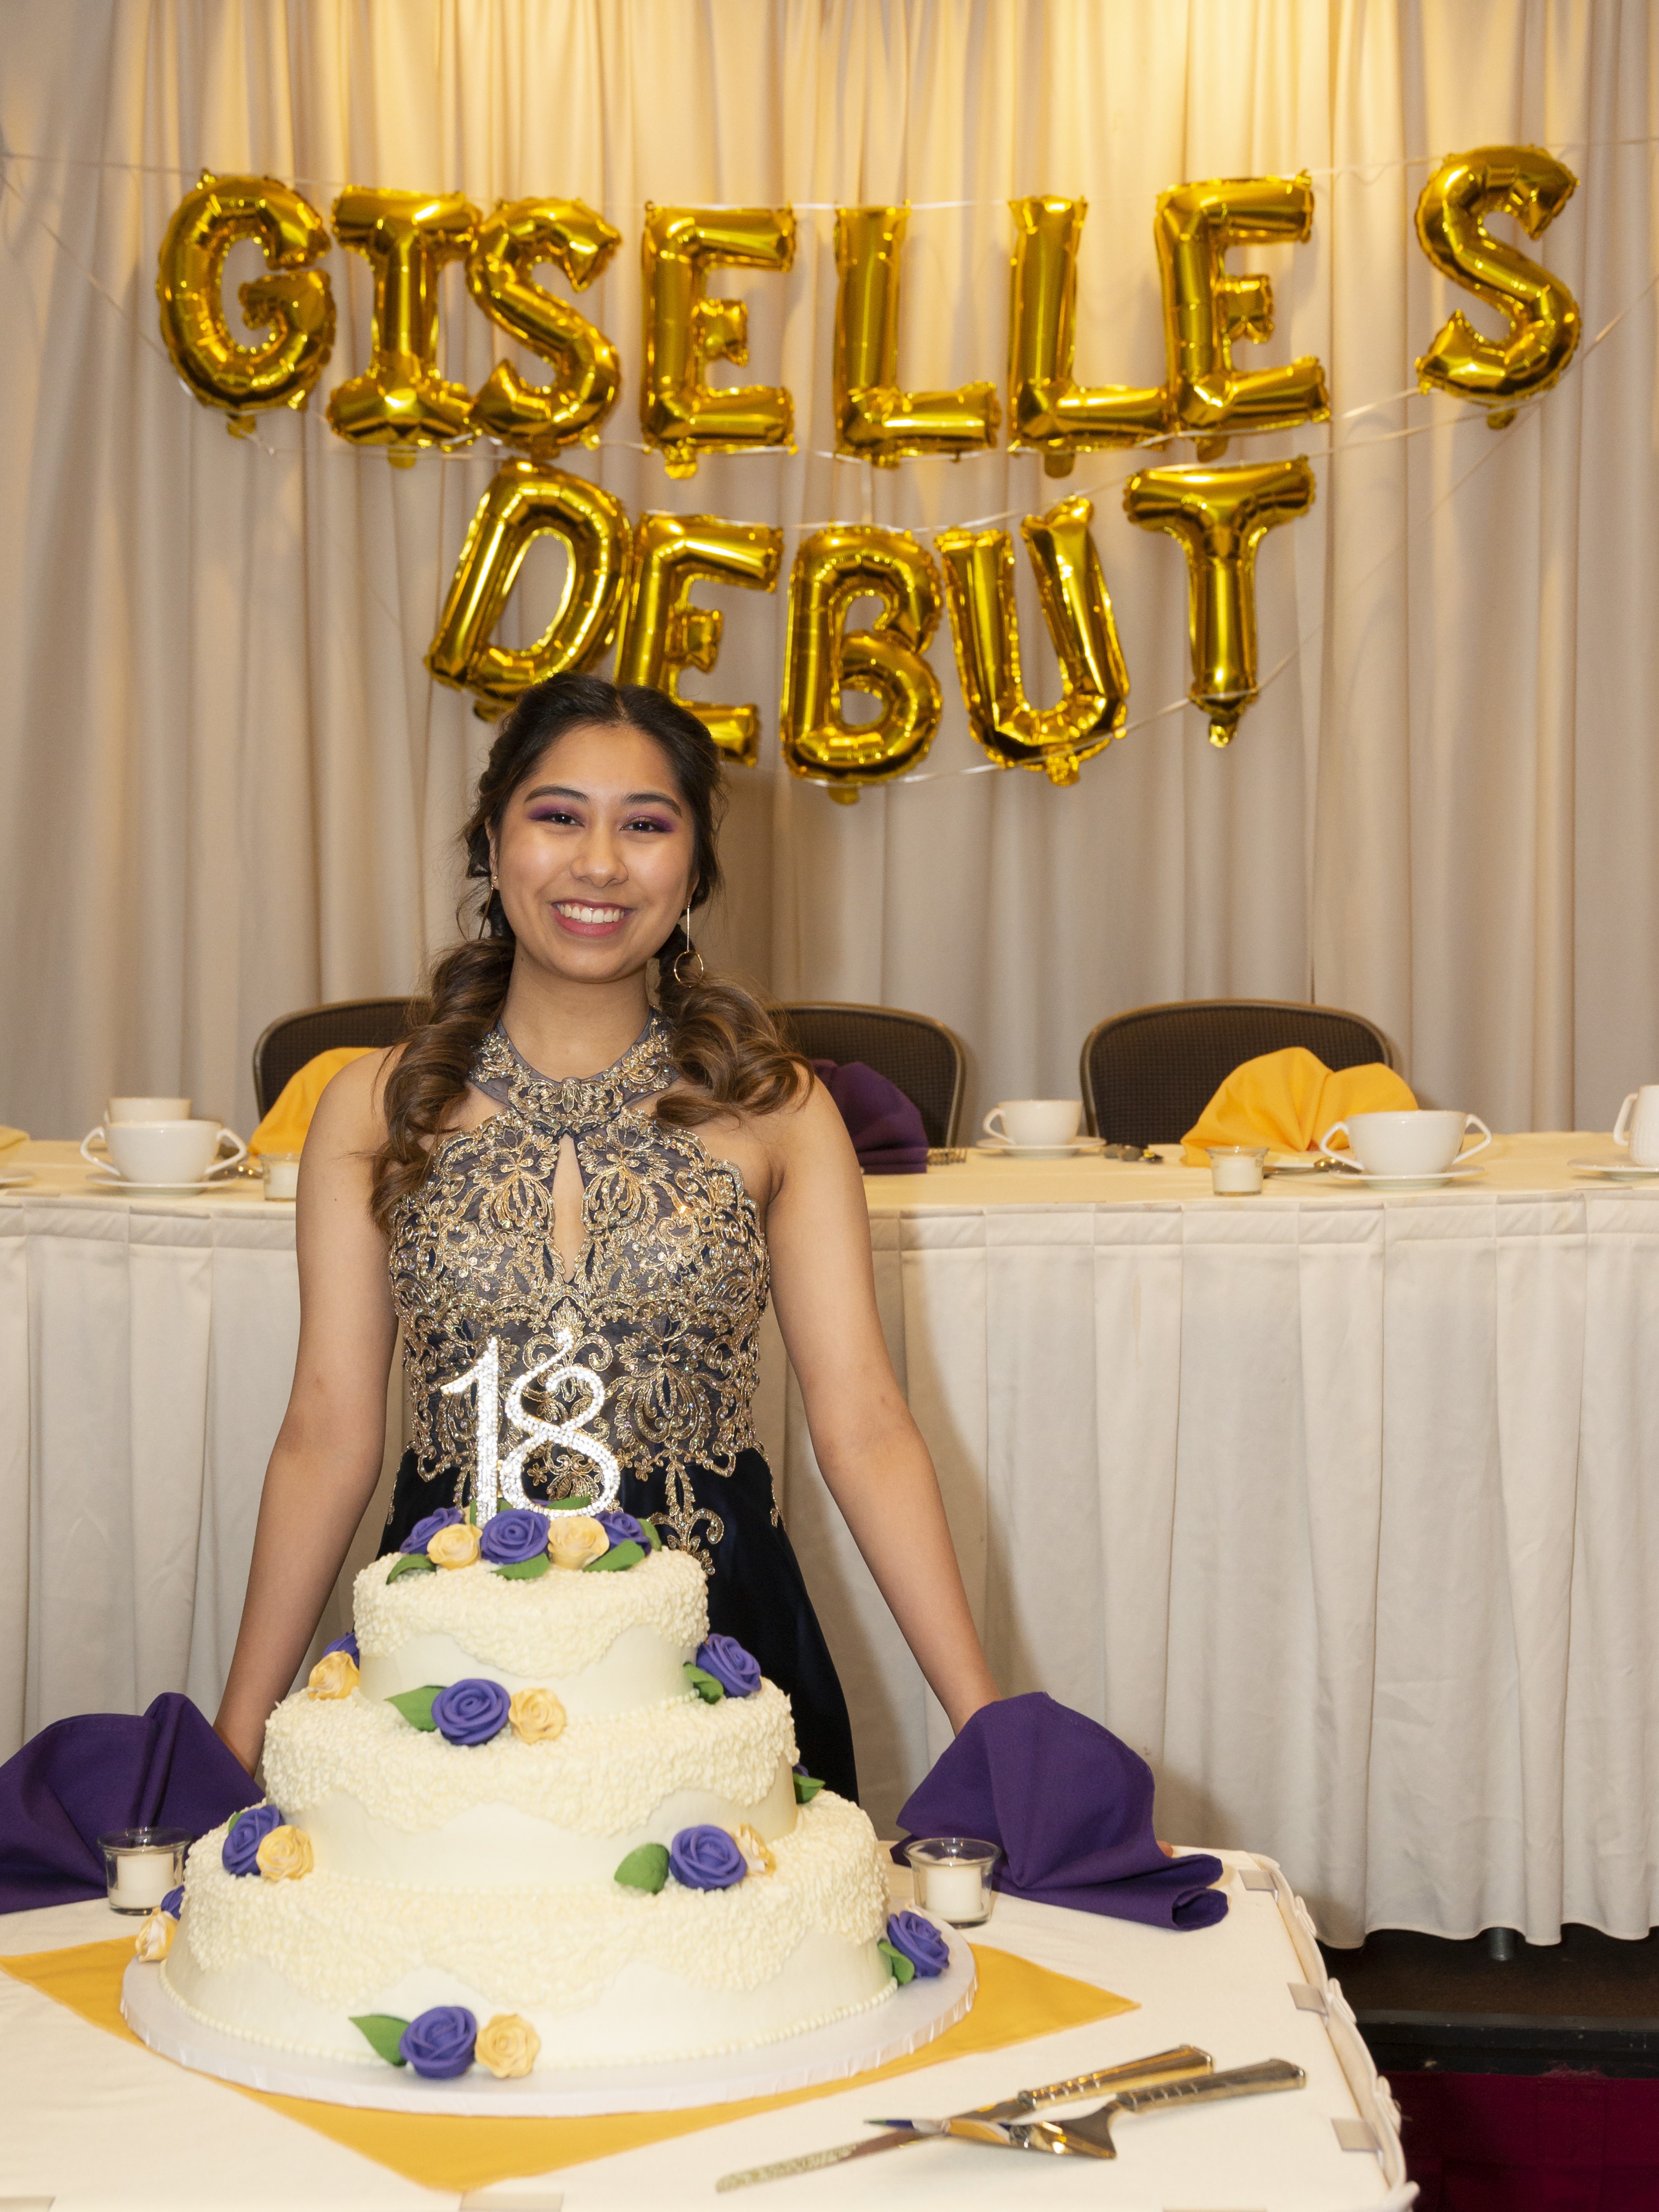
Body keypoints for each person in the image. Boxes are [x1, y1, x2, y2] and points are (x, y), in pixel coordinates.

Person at [213, 675, 998, 1799]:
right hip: (444, 1657)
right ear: (492, 840)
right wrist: (231, 1743)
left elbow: (867, 1426)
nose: (598, 863)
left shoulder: (776, 1108)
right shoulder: (372, 1102)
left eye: (644, 824)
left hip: (721, 1650)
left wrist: (987, 1732)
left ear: (692, 867)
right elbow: (326, 1433)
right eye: (556, 815)